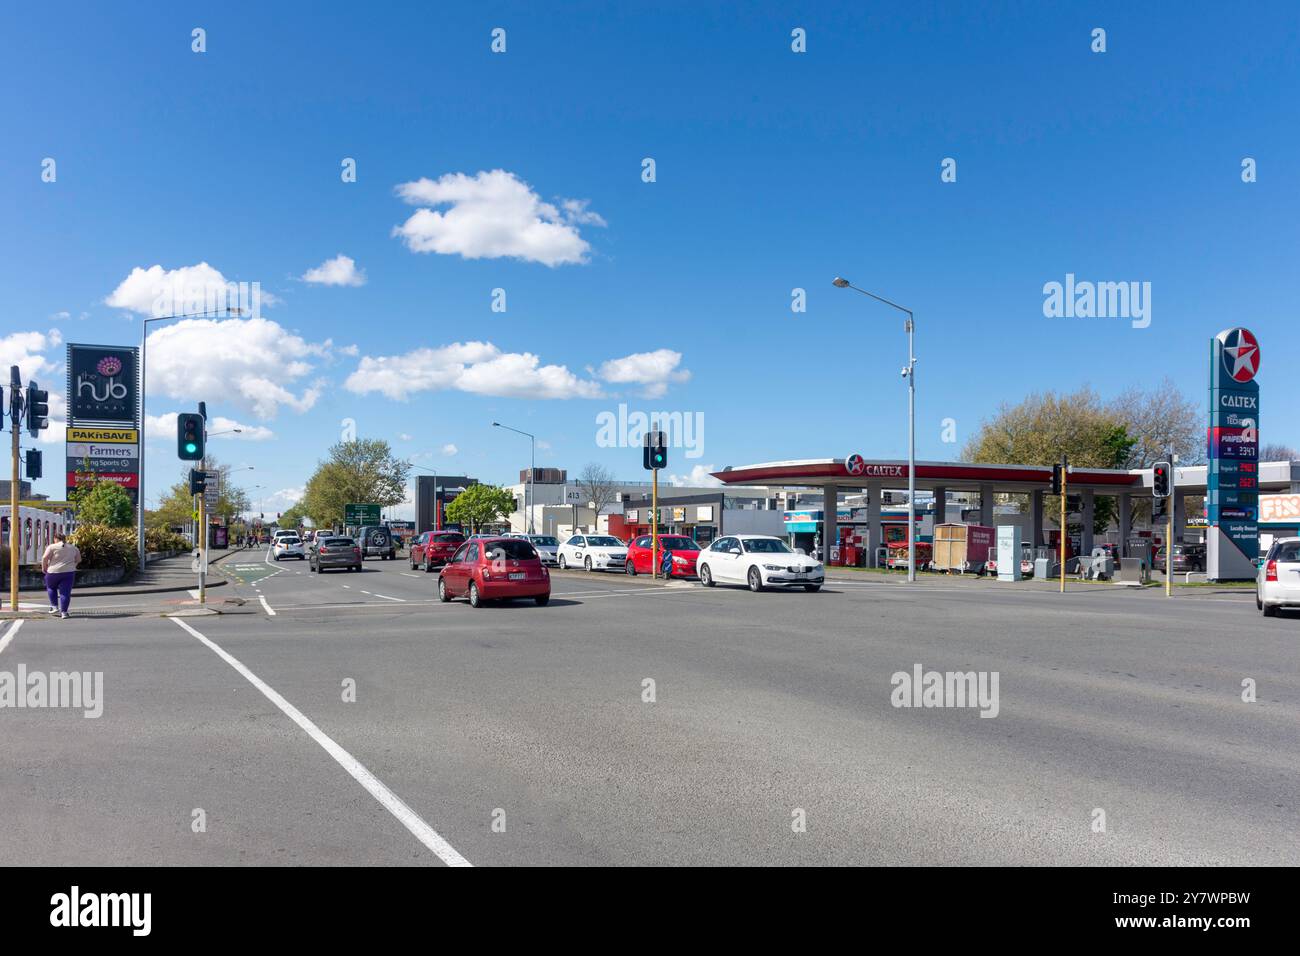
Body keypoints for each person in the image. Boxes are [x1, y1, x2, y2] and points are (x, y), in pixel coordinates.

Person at [42, 530, 81, 619]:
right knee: (65, 592)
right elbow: (78, 560)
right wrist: (73, 566)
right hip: (68, 573)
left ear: (55, 538)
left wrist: (44, 567)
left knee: (51, 587)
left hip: (53, 572)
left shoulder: (51, 547)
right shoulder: (73, 548)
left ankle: (54, 606)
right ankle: (64, 612)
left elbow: (45, 557)